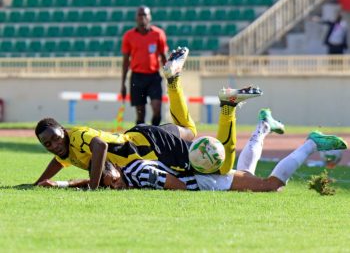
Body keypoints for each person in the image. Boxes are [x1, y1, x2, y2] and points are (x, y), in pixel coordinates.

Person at [35, 47, 262, 189]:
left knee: (220, 168)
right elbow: (59, 161)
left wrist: (94, 187)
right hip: (143, 135)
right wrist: (37, 183)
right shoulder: (67, 150)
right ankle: (173, 80)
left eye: (55, 138)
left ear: (63, 131)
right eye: (48, 144)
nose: (54, 145)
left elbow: (100, 145)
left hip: (150, 147)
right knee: (188, 130)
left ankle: (227, 107)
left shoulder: (78, 137)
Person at [40, 113, 348, 192]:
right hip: (194, 170)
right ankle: (264, 126)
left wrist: (91, 187)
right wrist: (64, 185)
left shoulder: (136, 172)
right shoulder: (127, 173)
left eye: (112, 183)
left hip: (201, 179)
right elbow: (97, 174)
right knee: (251, 178)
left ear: (114, 172)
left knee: (271, 186)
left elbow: (176, 186)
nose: (116, 187)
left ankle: (311, 142)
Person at [121, 5, 168, 126]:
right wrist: (123, 84)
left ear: (150, 17)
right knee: (140, 113)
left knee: (157, 108)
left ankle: (155, 133)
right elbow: (126, 61)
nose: (142, 17)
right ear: (136, 18)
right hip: (137, 77)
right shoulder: (129, 36)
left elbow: (163, 56)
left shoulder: (158, 34)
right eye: (140, 15)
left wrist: (169, 76)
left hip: (153, 77)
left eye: (145, 14)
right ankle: (141, 140)